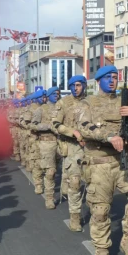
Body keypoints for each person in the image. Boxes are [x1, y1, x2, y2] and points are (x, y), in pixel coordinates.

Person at [75, 65, 128, 255]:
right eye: (107, 77)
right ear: (98, 81)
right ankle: (102, 249)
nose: (112, 81)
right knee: (100, 210)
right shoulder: (88, 103)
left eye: (115, 77)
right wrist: (107, 136)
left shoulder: (127, 101)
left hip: (125, 160)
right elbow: (83, 127)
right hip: (99, 163)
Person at [52, 76, 88, 230]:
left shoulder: (91, 102)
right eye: (72, 85)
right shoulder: (63, 103)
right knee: (75, 182)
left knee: (94, 182)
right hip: (72, 146)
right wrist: (72, 132)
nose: (75, 88)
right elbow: (55, 125)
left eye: (78, 85)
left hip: (91, 146)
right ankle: (75, 217)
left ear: (84, 86)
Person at [31, 87, 60, 209]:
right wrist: (48, 126)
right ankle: (49, 198)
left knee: (60, 170)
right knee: (50, 172)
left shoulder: (61, 108)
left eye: (58, 94)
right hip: (46, 143)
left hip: (61, 143)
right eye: (54, 94)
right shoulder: (41, 109)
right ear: (48, 96)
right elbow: (33, 125)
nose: (56, 96)